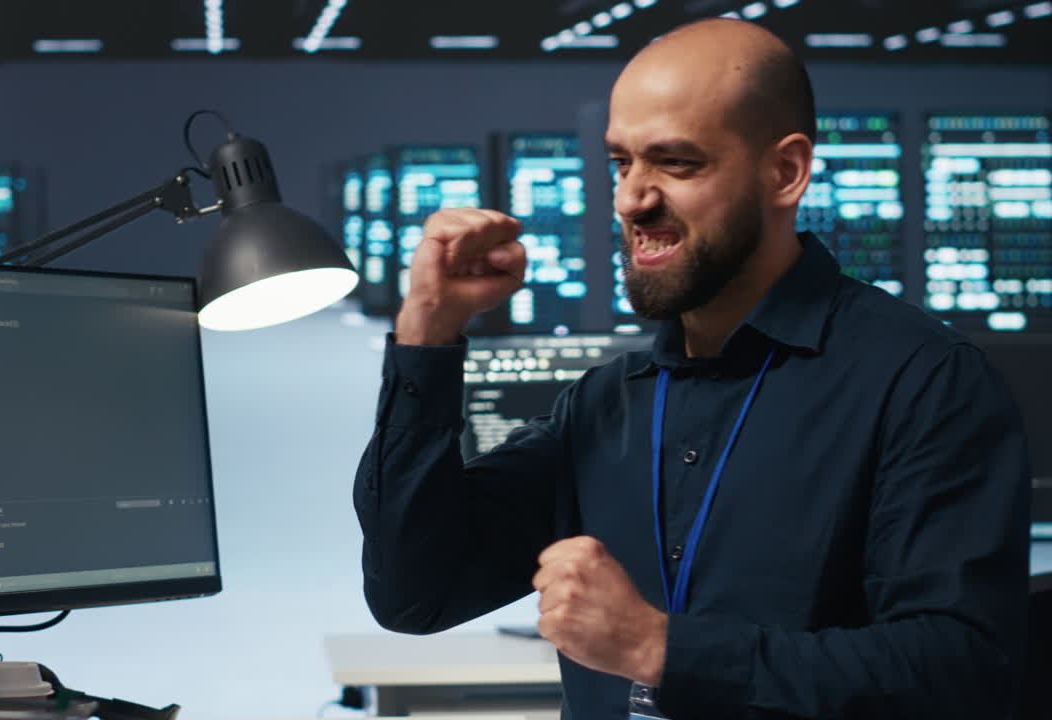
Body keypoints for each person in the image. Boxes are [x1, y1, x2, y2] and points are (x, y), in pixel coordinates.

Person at [352, 17, 1031, 720]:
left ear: (785, 173)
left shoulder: (923, 383)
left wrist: (660, 649)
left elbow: (962, 676)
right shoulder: (604, 407)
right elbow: (413, 593)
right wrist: (426, 338)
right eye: (622, 163)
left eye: (675, 163)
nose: (630, 199)